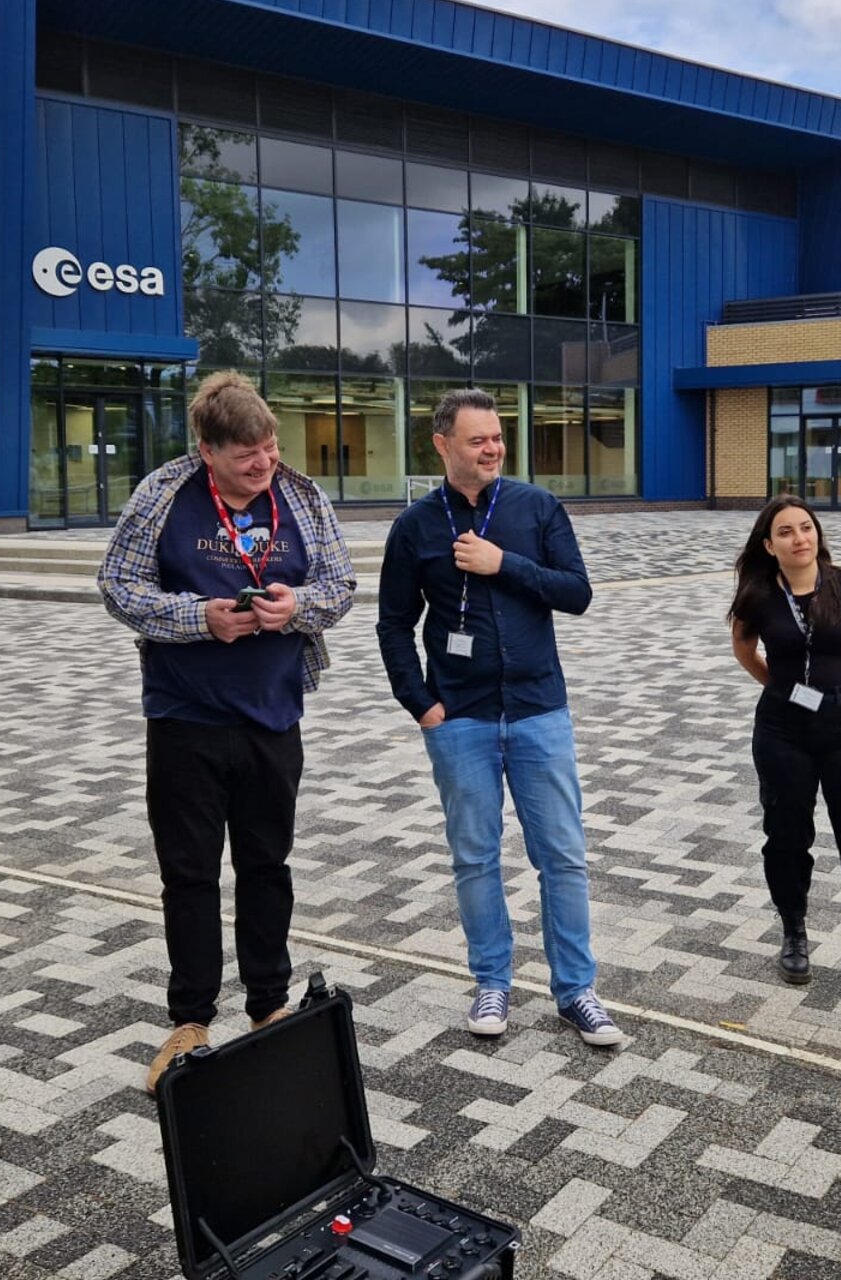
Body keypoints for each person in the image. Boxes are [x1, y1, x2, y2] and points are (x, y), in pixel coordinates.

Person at [98, 372, 355, 1093]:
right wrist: (198, 618)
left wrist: (293, 606)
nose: (263, 462)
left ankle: (268, 1004)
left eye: (269, 447)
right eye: (245, 452)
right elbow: (118, 586)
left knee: (268, 865)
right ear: (206, 449)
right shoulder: (162, 495)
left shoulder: (301, 497)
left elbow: (339, 589)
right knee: (189, 874)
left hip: (274, 717)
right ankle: (190, 1018)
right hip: (186, 718)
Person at [376, 388, 626, 1046]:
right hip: (459, 720)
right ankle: (492, 982)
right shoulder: (415, 527)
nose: (492, 448)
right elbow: (394, 624)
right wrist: (420, 703)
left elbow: (577, 592)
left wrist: (504, 564)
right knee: (475, 859)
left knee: (563, 858)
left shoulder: (536, 508)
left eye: (496, 437)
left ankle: (576, 991)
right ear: (442, 445)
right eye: (477, 439)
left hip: (541, 711)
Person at [728, 496, 841, 1010]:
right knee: (785, 836)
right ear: (769, 544)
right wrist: (784, 689)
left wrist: (840, 689)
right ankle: (795, 933)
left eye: (806, 527)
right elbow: (745, 650)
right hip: (782, 729)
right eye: (786, 532)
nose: (799, 538)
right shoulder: (757, 594)